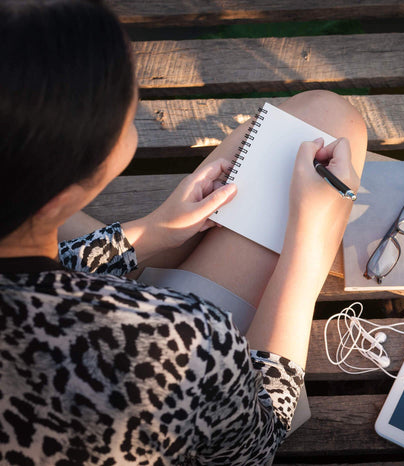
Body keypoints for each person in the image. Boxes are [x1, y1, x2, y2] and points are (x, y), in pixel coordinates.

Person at [0, 1, 367, 464]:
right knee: (329, 117)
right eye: (127, 116)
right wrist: (309, 248)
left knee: (309, 118)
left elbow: (37, 276)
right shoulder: (178, 338)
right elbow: (255, 441)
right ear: (58, 196)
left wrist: (153, 233)